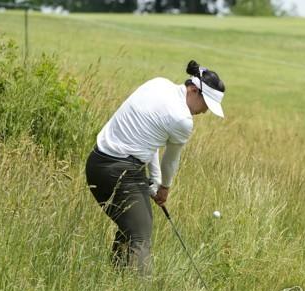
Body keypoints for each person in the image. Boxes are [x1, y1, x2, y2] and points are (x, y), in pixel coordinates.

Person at [85, 60, 226, 275]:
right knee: (140, 235)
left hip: (97, 163)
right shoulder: (182, 119)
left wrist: (154, 181)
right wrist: (164, 188)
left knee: (132, 226)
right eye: (206, 105)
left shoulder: (158, 84)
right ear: (193, 90)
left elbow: (149, 139)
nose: (205, 112)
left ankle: (116, 281)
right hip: (120, 172)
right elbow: (171, 160)